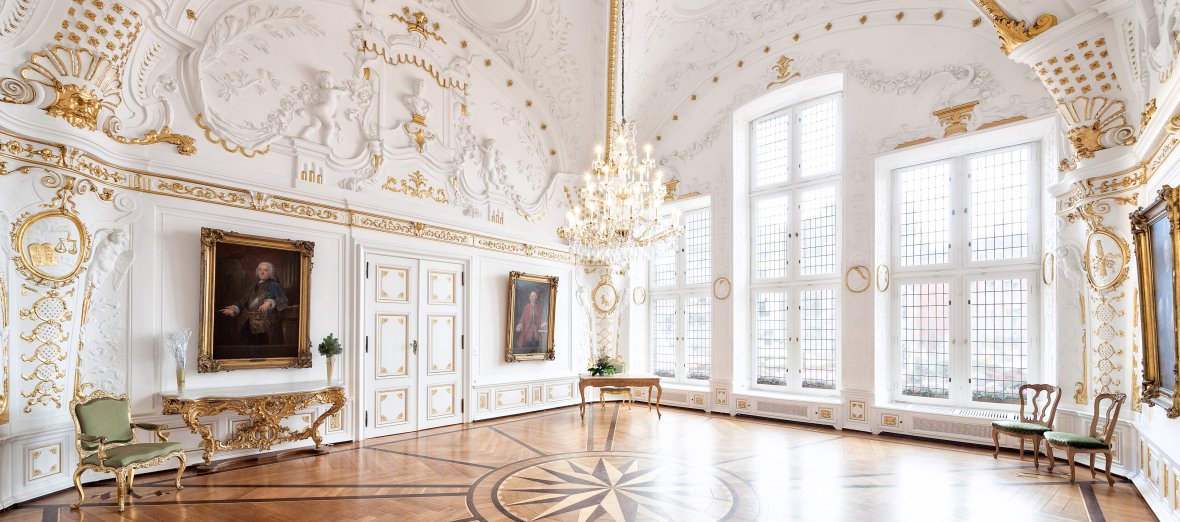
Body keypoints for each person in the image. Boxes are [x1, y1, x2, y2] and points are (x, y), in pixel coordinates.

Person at [220, 261, 289, 345]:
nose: (262, 272)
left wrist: (270, 302)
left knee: (263, 347)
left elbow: (284, 300)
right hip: (250, 322)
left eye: (265, 270)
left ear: (270, 273)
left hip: (266, 325)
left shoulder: (274, 285)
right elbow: (243, 301)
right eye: (260, 269)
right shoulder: (253, 286)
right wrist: (234, 309)